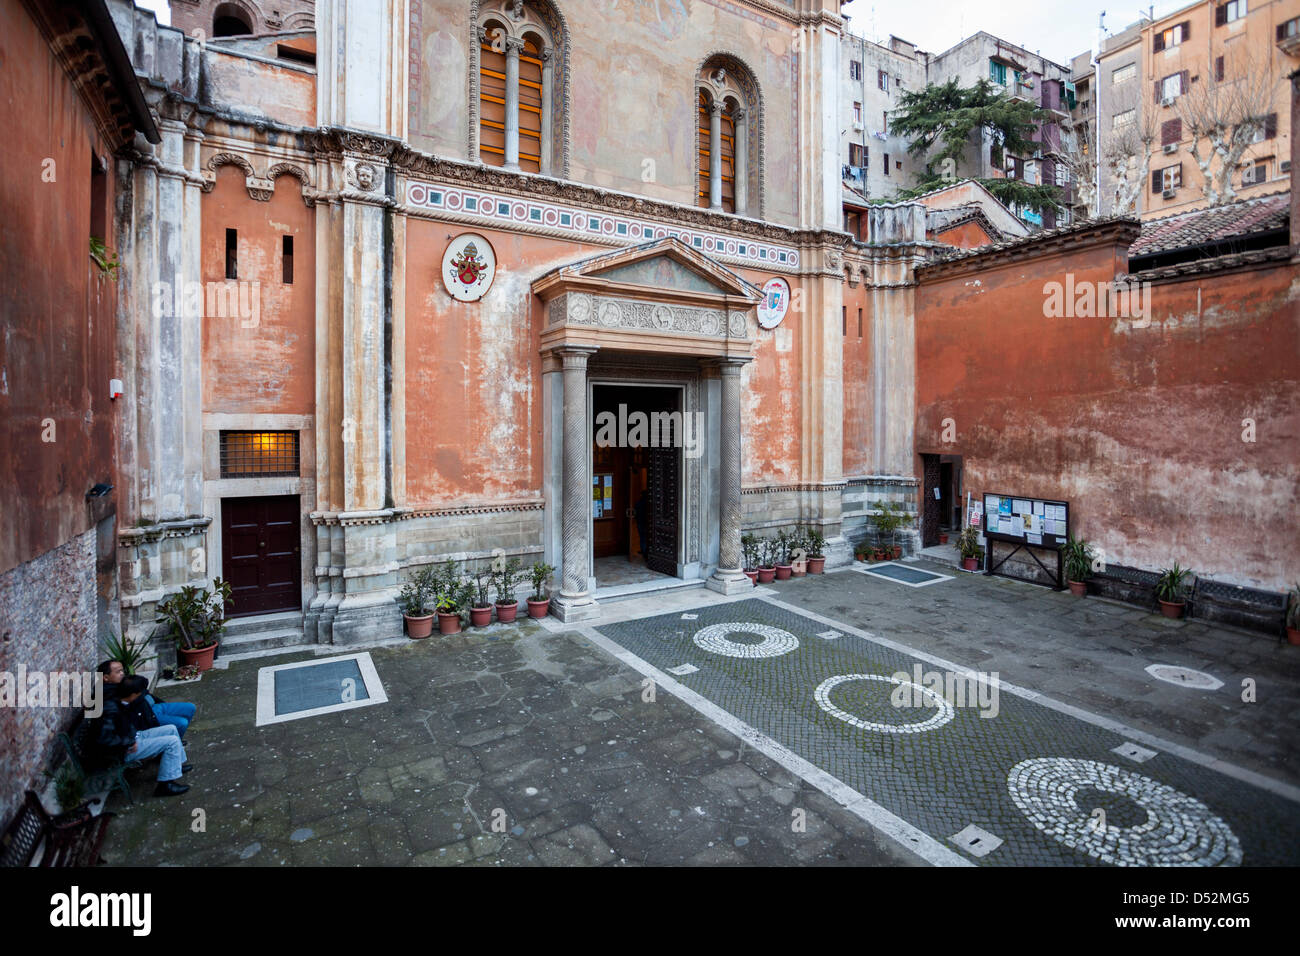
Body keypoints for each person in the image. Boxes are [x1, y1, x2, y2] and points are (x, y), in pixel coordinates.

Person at [87, 675, 193, 797]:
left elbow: (126, 724)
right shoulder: (111, 709)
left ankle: (176, 767)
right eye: (140, 693)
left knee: (171, 729)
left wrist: (131, 736)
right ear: (133, 694)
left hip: (132, 738)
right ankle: (165, 785)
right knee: (172, 742)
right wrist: (129, 742)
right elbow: (104, 738)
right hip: (123, 751)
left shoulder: (121, 701)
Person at [98, 660, 197, 737]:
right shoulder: (108, 693)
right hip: (146, 717)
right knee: (181, 723)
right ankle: (170, 746)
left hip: (154, 707)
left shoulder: (121, 682)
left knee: (190, 708)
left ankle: (176, 739)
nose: (122, 673)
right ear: (106, 678)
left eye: (122, 670)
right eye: (118, 672)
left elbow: (144, 689)